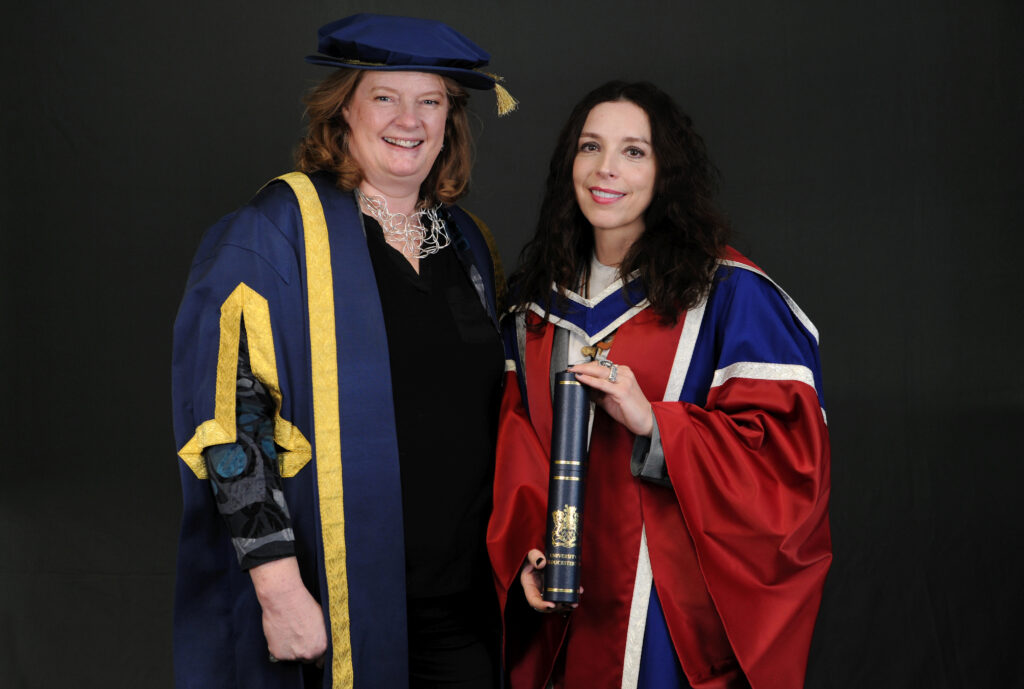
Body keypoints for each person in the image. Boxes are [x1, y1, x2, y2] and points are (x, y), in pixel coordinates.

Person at [172, 14, 515, 689]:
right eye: (385, 96)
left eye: (431, 100)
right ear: (344, 110)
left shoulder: (468, 244)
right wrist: (278, 588)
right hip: (337, 606)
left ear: (451, 118)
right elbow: (228, 424)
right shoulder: (277, 234)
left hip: (465, 608)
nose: (408, 120)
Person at [487, 81, 831, 689]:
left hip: (667, 616)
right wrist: (523, 555)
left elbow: (787, 465)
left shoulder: (731, 295)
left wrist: (655, 423)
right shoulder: (534, 307)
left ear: (666, 170)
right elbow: (517, 446)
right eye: (590, 147)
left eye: (634, 151)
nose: (606, 169)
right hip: (563, 609)